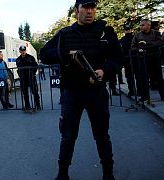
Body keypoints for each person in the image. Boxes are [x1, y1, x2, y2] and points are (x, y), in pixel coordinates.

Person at [40, 0, 121, 179]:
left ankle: (108, 174)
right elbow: (44, 54)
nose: (90, 11)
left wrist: (104, 71)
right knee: (68, 137)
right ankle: (62, 174)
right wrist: (66, 54)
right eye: (86, 7)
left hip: (96, 92)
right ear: (77, 10)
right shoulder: (65, 34)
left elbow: (118, 59)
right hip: (72, 93)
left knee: (102, 136)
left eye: (93, 7)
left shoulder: (105, 32)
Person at [131, 19, 164, 102]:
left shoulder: (156, 33)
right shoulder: (137, 35)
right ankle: (145, 96)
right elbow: (133, 46)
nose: (141, 26)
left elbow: (160, 42)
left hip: (155, 58)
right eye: (140, 25)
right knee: (143, 78)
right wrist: (138, 49)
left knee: (159, 77)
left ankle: (163, 95)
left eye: (143, 25)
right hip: (143, 58)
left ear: (148, 25)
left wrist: (148, 44)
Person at [16, 45, 41, 110]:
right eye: (21, 51)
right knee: (25, 92)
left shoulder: (31, 57)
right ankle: (27, 106)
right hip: (23, 78)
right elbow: (18, 68)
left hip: (31, 77)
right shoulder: (18, 59)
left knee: (34, 91)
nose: (23, 52)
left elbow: (35, 66)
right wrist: (20, 75)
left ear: (25, 50)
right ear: (19, 51)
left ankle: (37, 104)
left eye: (24, 50)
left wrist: (33, 74)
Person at [119, 24, 135, 97]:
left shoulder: (135, 37)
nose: (128, 31)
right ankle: (131, 90)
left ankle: (136, 91)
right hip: (127, 59)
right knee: (129, 76)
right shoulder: (122, 39)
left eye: (128, 29)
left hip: (135, 58)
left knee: (137, 76)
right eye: (126, 30)